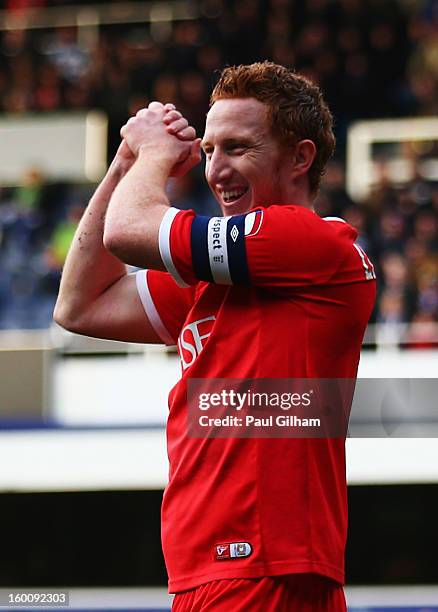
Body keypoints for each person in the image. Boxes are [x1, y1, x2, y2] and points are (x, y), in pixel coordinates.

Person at [54, 61, 376, 611]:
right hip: (214, 569)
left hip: (261, 565)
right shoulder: (220, 278)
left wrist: (154, 158)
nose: (216, 170)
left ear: (300, 158)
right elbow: (81, 305)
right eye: (208, 151)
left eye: (238, 148)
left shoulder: (306, 240)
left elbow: (128, 232)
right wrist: (126, 162)